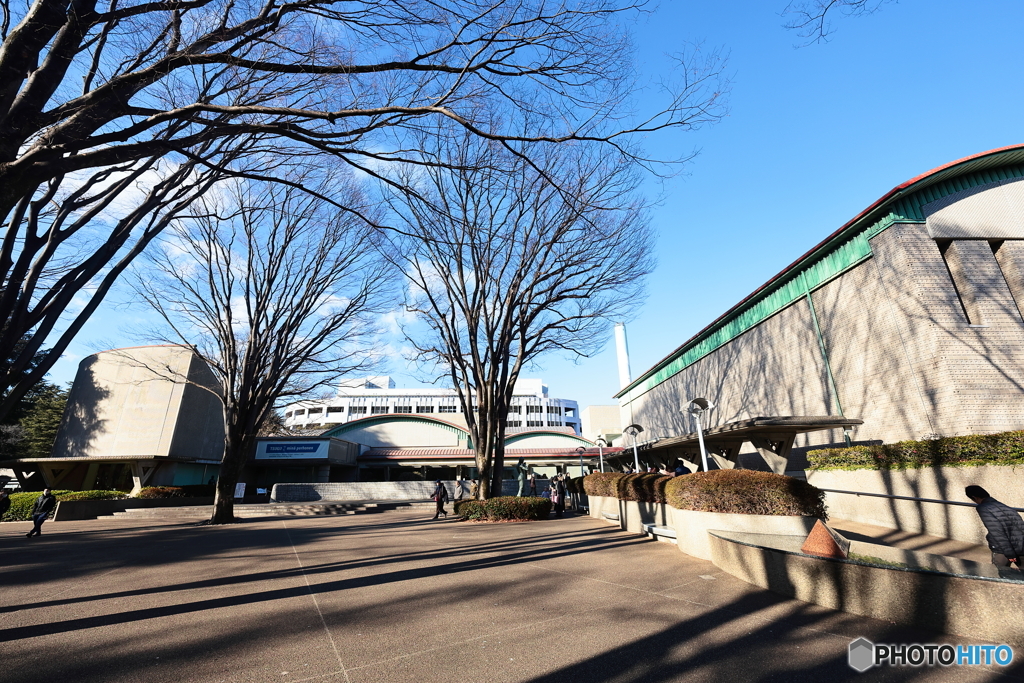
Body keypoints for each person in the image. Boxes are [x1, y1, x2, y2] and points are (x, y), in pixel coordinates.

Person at [965, 485, 1024, 577]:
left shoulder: (983, 508)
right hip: (1021, 546)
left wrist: (1010, 555)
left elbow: (997, 532)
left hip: (1003, 550)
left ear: (974, 497)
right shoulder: (1004, 506)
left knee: (1001, 575)